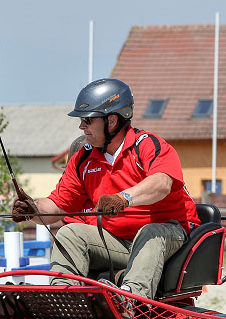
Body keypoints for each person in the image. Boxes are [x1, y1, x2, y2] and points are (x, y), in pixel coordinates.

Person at [11, 78, 199, 301]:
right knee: (70, 232)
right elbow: (57, 206)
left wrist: (123, 198)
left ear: (111, 121)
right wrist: (32, 209)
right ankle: (62, 298)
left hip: (168, 236)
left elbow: (161, 184)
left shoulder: (147, 145)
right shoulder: (84, 158)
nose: (82, 127)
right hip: (117, 242)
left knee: (150, 232)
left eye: (87, 120)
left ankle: (131, 301)